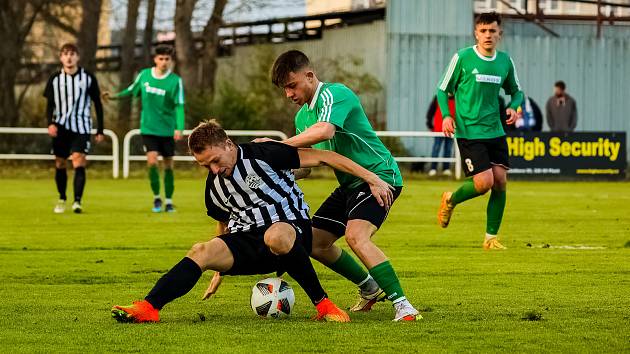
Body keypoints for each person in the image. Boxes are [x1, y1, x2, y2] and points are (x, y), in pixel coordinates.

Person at [111, 119, 396, 323]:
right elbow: (223, 226)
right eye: (204, 166)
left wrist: (371, 178)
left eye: (214, 160)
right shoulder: (214, 187)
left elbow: (325, 156)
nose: (213, 169)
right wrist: (216, 269)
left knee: (276, 235)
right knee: (200, 250)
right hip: (249, 242)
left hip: (291, 230)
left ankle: (323, 305)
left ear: (227, 143)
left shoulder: (264, 153)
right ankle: (149, 307)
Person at [248, 50, 421, 321]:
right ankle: (369, 287)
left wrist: (275, 146)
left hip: (379, 177)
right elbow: (306, 165)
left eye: (292, 86)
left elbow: (325, 131)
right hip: (350, 183)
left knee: (356, 236)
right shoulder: (302, 118)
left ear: (309, 75)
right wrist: (269, 174)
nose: (289, 94)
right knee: (315, 243)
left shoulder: (334, 94)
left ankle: (404, 306)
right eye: (285, 89)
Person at [436, 12, 524, 250]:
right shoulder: (463, 58)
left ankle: (490, 239)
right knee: (484, 182)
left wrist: (515, 107)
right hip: (469, 130)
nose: (488, 35)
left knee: (500, 182)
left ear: (499, 34)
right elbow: (442, 90)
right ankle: (451, 199)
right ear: (476, 33)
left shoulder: (505, 61)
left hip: (495, 130)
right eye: (483, 31)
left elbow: (517, 92)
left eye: (492, 31)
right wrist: (446, 116)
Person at [103, 45, 185, 213]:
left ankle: (169, 200)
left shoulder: (175, 81)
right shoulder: (145, 75)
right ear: (155, 59)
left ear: (171, 61)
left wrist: (180, 128)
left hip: (167, 130)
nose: (164, 62)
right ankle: (156, 198)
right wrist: (113, 97)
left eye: (167, 59)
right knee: (152, 162)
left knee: (169, 166)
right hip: (148, 129)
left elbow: (179, 106)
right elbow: (131, 90)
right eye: (161, 59)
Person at [44, 43, 104, 214]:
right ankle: (62, 197)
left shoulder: (88, 78)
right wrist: (50, 123)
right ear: (61, 57)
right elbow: (49, 104)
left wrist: (100, 129)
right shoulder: (55, 79)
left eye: (72, 54)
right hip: (60, 126)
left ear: (77, 57)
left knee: (78, 160)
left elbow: (97, 104)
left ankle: (77, 201)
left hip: (81, 127)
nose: (69, 57)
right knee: (60, 162)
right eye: (65, 54)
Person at [425, 95, 455, 176]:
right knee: (436, 148)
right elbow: (430, 111)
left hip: (451, 129)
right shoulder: (438, 97)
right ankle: (433, 168)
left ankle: (446, 169)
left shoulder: (457, 97)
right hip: (438, 128)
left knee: (448, 149)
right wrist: (429, 124)